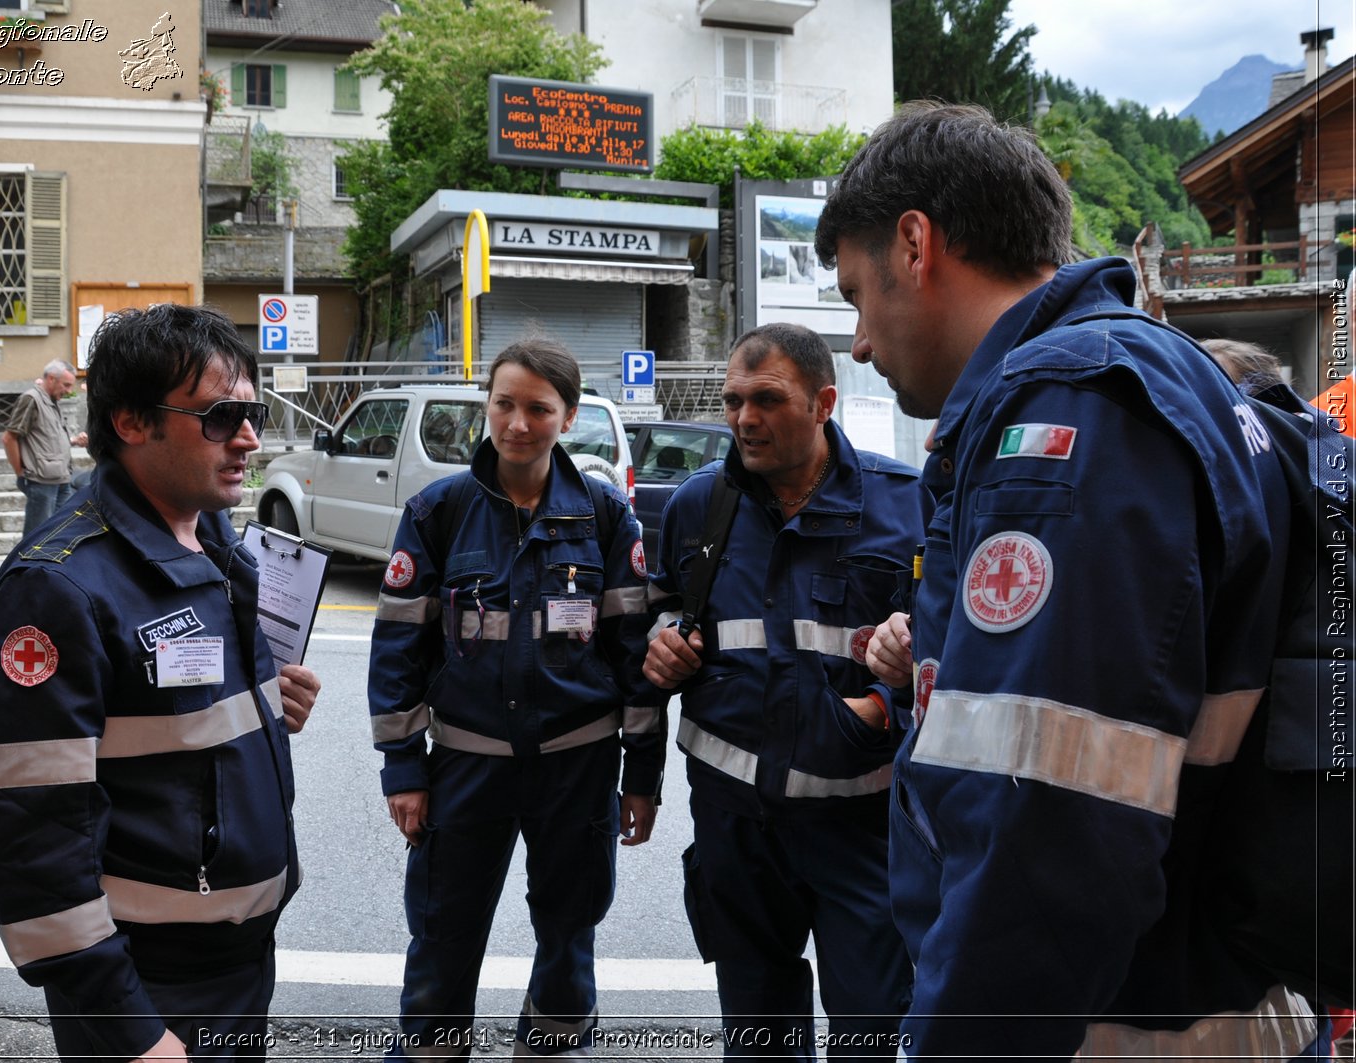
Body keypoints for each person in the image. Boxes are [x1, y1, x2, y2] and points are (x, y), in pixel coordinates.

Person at [815, 102, 1319, 1059]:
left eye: (855, 297)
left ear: (916, 245)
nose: (861, 346)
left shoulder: (1067, 417)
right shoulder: (1159, 375)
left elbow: (1044, 816)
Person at [0, 305, 321, 1062]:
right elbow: (32, 834)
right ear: (131, 421)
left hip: (235, 966)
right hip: (149, 989)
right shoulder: (57, 588)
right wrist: (128, 1030)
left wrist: (267, 702)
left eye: (253, 413)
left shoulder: (212, 537)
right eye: (223, 416)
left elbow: (175, 724)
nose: (250, 438)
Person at [368, 338, 662, 1059]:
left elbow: (635, 659)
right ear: (486, 406)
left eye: (539, 407)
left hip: (577, 769)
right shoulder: (438, 511)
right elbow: (398, 651)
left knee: (569, 932)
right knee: (442, 931)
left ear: (568, 416)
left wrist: (642, 776)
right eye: (505, 403)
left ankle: (552, 1046)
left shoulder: (605, 516)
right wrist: (404, 768)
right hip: (466, 770)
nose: (519, 422)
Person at [643, 322, 921, 1059]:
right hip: (735, 828)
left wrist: (882, 706)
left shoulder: (908, 506)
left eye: (766, 399)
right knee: (758, 1038)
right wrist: (664, 640)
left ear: (824, 401)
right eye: (733, 399)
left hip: (859, 828)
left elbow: (958, 651)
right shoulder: (697, 506)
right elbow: (657, 615)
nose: (744, 418)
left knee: (869, 1034)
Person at [4, 359, 89, 535]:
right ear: (51, 378)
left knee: (62, 531)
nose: (68, 391)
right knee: (36, 536)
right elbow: (9, 438)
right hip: (41, 480)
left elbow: (46, 436)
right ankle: (27, 563)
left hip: (62, 478)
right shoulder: (31, 399)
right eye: (66, 385)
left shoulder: (52, 400)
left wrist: (72, 440)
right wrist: (20, 472)